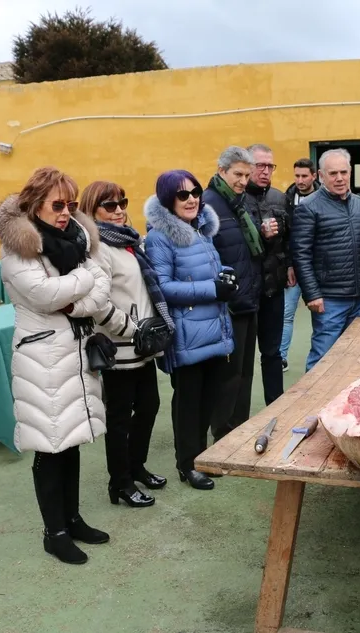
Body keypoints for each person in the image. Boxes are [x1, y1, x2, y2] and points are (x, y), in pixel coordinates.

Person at [0, 167, 112, 566]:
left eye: (71, 205)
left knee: (71, 439)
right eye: (57, 205)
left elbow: (101, 286)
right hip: (42, 359)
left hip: (75, 354)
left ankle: (72, 519)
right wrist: (84, 280)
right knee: (50, 445)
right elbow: (45, 294)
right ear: (35, 205)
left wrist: (75, 301)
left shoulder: (77, 239)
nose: (66, 213)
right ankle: (54, 532)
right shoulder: (19, 249)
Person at [80, 180, 171, 509]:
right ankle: (120, 482)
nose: (118, 210)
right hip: (120, 347)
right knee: (120, 418)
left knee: (148, 407)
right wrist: (131, 328)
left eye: (122, 202)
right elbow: (98, 303)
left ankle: (136, 467)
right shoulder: (97, 248)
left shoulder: (130, 241)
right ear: (93, 210)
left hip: (142, 344)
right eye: (109, 205)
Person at [144, 170, 236, 491]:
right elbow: (164, 287)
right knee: (188, 403)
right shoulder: (159, 237)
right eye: (182, 194)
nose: (192, 199)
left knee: (208, 399)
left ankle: (201, 457)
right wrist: (213, 289)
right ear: (168, 199)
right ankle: (187, 464)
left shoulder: (201, 229)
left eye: (195, 192)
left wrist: (226, 276)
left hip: (212, 328)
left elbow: (209, 269)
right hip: (186, 334)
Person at [290, 148, 360, 372]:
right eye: (333, 173)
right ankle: (313, 396)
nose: (339, 178)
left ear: (350, 172)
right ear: (321, 175)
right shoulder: (309, 207)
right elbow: (301, 254)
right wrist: (312, 294)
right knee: (322, 358)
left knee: (357, 357)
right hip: (329, 299)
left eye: (343, 172)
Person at [206, 146, 260, 440]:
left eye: (247, 175)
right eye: (238, 174)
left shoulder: (240, 202)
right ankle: (223, 434)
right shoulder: (208, 205)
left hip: (247, 299)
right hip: (227, 304)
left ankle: (240, 429)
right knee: (228, 376)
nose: (243, 181)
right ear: (221, 171)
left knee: (245, 373)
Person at [244, 143, 289, 404]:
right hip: (245, 290)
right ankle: (238, 417)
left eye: (270, 166)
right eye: (260, 165)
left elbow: (289, 239)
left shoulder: (279, 198)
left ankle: (276, 406)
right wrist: (258, 234)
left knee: (272, 353)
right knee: (242, 358)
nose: (266, 171)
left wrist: (290, 266)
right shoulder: (235, 199)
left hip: (273, 287)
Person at [281, 158, 319, 371]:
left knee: (321, 315)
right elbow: (285, 237)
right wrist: (289, 265)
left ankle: (322, 358)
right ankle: (281, 357)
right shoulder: (285, 200)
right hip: (294, 267)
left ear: (314, 176)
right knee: (286, 313)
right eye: (297, 176)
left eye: (304, 176)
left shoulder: (325, 197)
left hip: (317, 268)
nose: (300, 180)